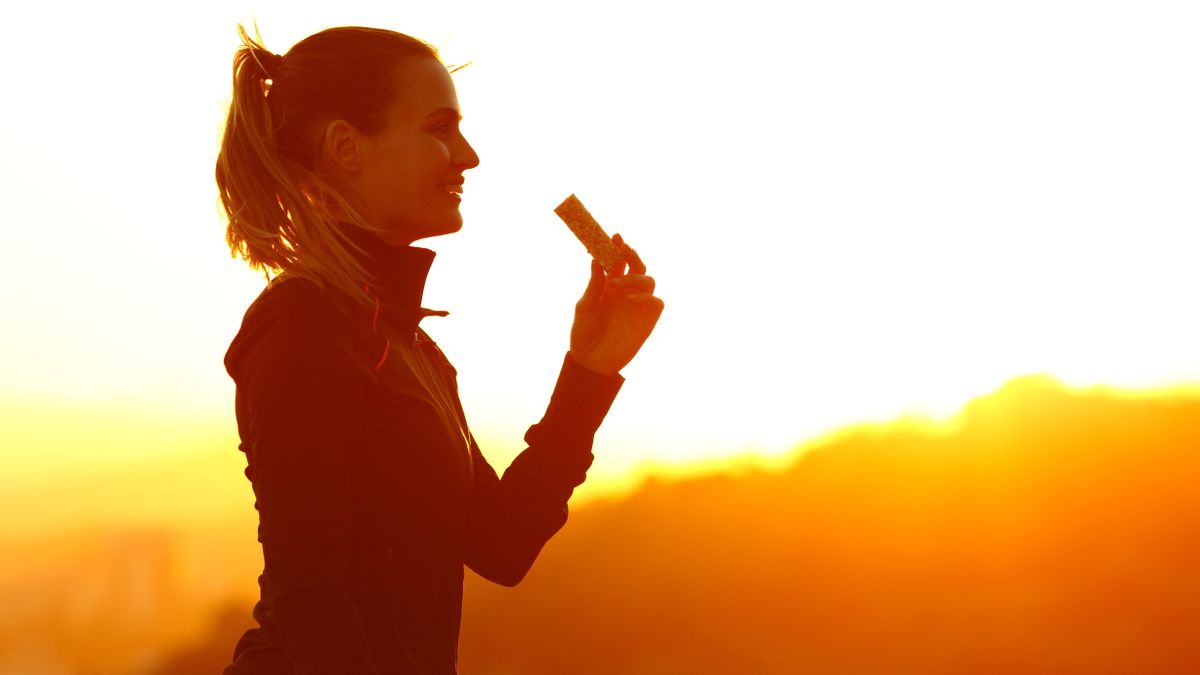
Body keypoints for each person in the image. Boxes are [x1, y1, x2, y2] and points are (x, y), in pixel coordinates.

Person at [215, 24, 663, 675]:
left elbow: (501, 545)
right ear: (346, 146)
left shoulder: (407, 345)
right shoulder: (303, 325)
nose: (469, 155)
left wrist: (590, 370)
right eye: (439, 128)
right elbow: (310, 595)